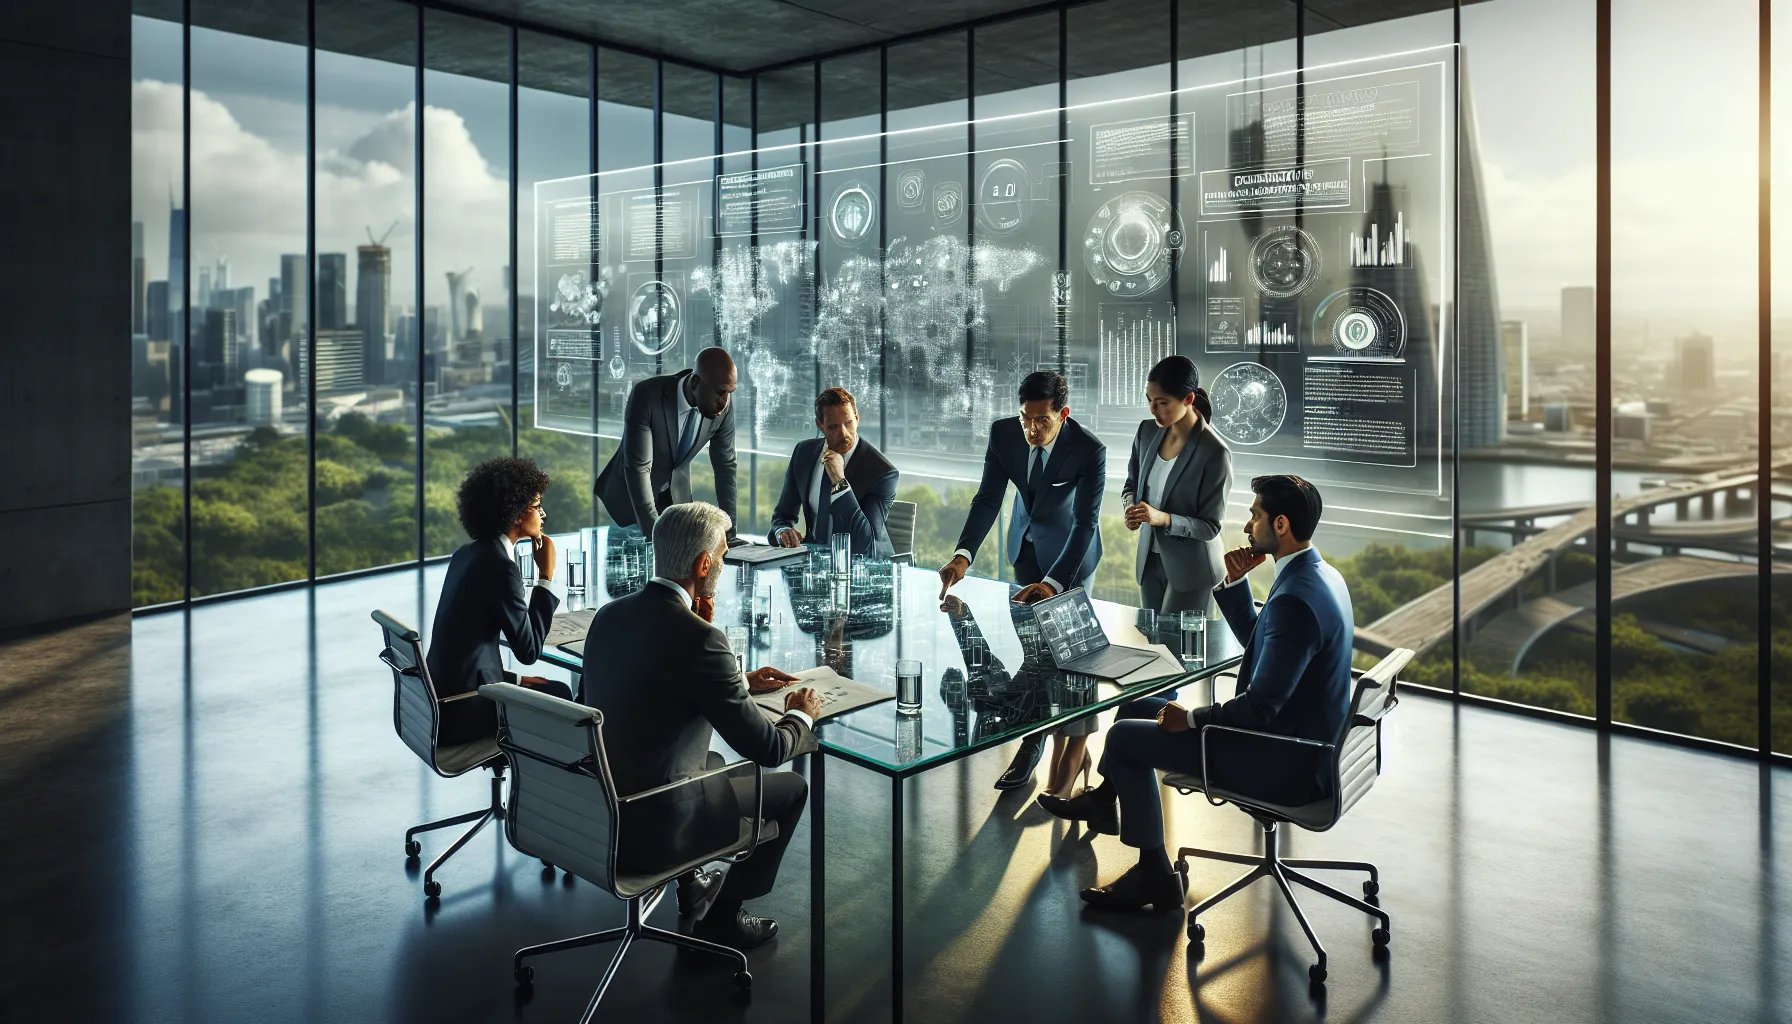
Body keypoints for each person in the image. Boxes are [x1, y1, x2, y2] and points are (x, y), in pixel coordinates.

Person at [1043, 475, 1355, 914]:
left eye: (1256, 515)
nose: (1248, 526)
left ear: (1280, 524)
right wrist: (1234, 583)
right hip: (1297, 741)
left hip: (1279, 757)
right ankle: (1103, 800)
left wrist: (1190, 719)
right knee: (1134, 704)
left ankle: (1154, 876)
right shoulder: (1320, 576)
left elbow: (1262, 706)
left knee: (1125, 739)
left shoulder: (1294, 600)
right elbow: (1264, 645)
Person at [581, 501, 822, 949]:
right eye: (725, 555)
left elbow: (618, 702)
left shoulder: (609, 616)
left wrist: (736, 681)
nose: (726, 563)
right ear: (704, 563)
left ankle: (691, 889)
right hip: (652, 823)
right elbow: (768, 749)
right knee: (791, 790)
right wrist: (801, 714)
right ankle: (723, 918)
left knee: (708, 758)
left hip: (595, 807)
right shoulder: (701, 639)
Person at [939, 369, 1106, 794]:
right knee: (1035, 656)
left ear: (1063, 414)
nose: (1031, 429)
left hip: (1070, 561)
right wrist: (963, 556)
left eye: (1041, 421)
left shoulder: (1088, 450)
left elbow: (1085, 524)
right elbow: (988, 498)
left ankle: (1032, 748)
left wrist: (1053, 584)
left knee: (1053, 662)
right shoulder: (1004, 434)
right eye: (1025, 419)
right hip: (1025, 552)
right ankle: (1047, 741)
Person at [426, 457, 575, 748]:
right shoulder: (501, 568)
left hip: (444, 697)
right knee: (564, 696)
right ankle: (550, 786)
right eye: (537, 505)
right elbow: (528, 651)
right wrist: (546, 577)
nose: (543, 514)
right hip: (467, 709)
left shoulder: (466, 554)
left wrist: (516, 683)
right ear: (517, 514)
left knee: (549, 688)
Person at [1122, 356, 1232, 614]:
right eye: (1149, 401)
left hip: (1192, 569)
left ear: (1188, 399)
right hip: (1149, 562)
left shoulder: (1214, 452)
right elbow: (1131, 486)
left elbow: (1210, 526)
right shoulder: (1146, 432)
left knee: (1178, 649)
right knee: (1152, 644)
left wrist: (1163, 518)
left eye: (1162, 403)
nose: (1153, 410)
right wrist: (1131, 509)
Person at [594, 347, 738, 541]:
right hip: (628, 507)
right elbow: (639, 468)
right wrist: (654, 533)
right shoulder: (646, 395)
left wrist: (728, 530)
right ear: (695, 382)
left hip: (676, 504)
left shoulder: (723, 407)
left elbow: (725, 466)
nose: (725, 402)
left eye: (730, 392)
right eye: (721, 393)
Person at [769, 386, 899, 558]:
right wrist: (783, 531)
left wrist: (840, 482)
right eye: (833, 427)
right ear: (820, 425)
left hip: (862, 570)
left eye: (849, 423)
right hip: (813, 564)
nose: (843, 433)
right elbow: (782, 515)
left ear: (857, 418)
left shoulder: (882, 472)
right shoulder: (803, 453)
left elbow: (865, 542)